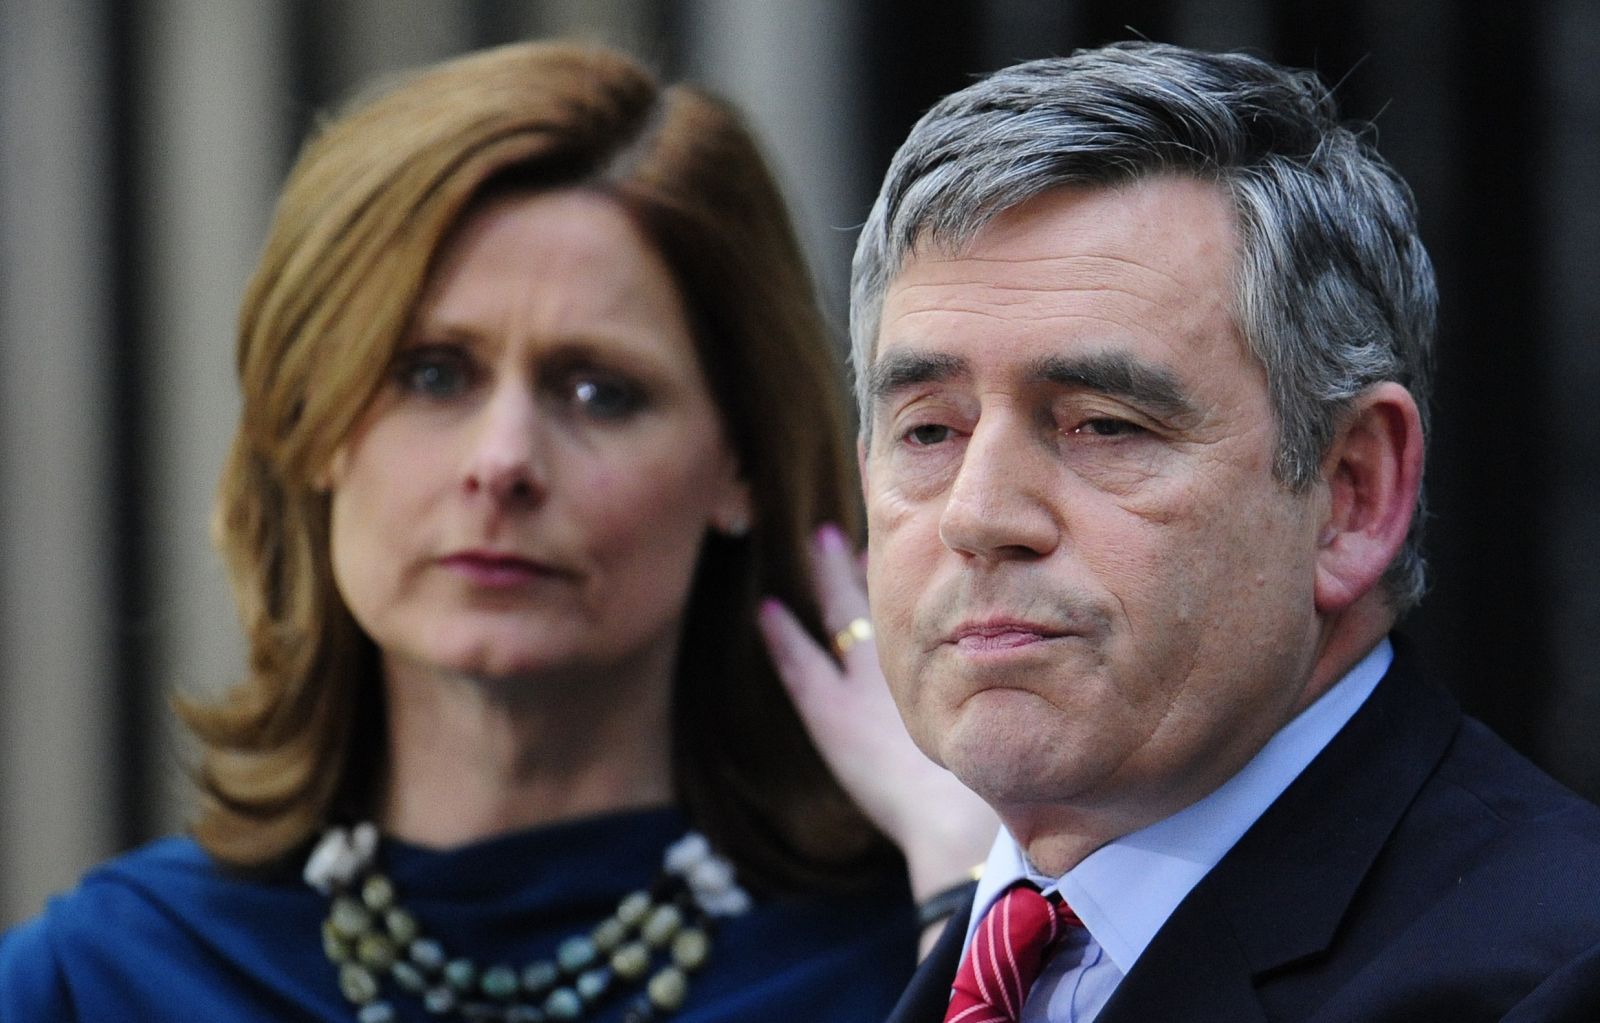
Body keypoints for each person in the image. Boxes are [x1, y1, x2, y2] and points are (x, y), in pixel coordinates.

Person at [0, 41, 985, 1023]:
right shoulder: (104, 979)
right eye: (432, 374)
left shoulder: (915, 946)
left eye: (599, 391)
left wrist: (966, 896)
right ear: (315, 427)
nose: (503, 459)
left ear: (739, 465)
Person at [825, 40, 1600, 1022]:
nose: (978, 517)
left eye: (1103, 425)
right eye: (929, 429)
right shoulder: (980, 950)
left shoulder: (1554, 980)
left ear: (1352, 493)